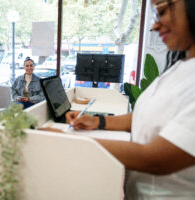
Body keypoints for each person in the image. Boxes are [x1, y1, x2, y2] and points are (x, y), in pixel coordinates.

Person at [66, 0, 195, 198]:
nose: (154, 25)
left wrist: (68, 142)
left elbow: (155, 159)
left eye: (161, 12)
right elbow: (148, 115)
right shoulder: (182, 65)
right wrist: (98, 121)